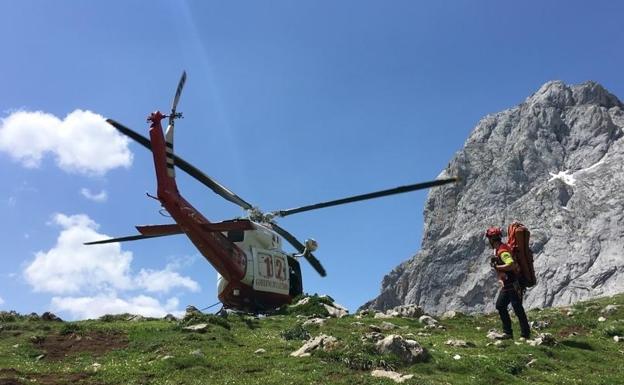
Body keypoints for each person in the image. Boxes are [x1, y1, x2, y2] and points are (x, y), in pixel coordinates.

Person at [486, 226, 531, 339]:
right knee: (500, 306)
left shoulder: (502, 251)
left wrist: (498, 266)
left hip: (513, 284)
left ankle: (525, 335)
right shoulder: (500, 248)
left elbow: (510, 264)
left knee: (517, 308)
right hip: (508, 284)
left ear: (491, 240)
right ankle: (508, 333)